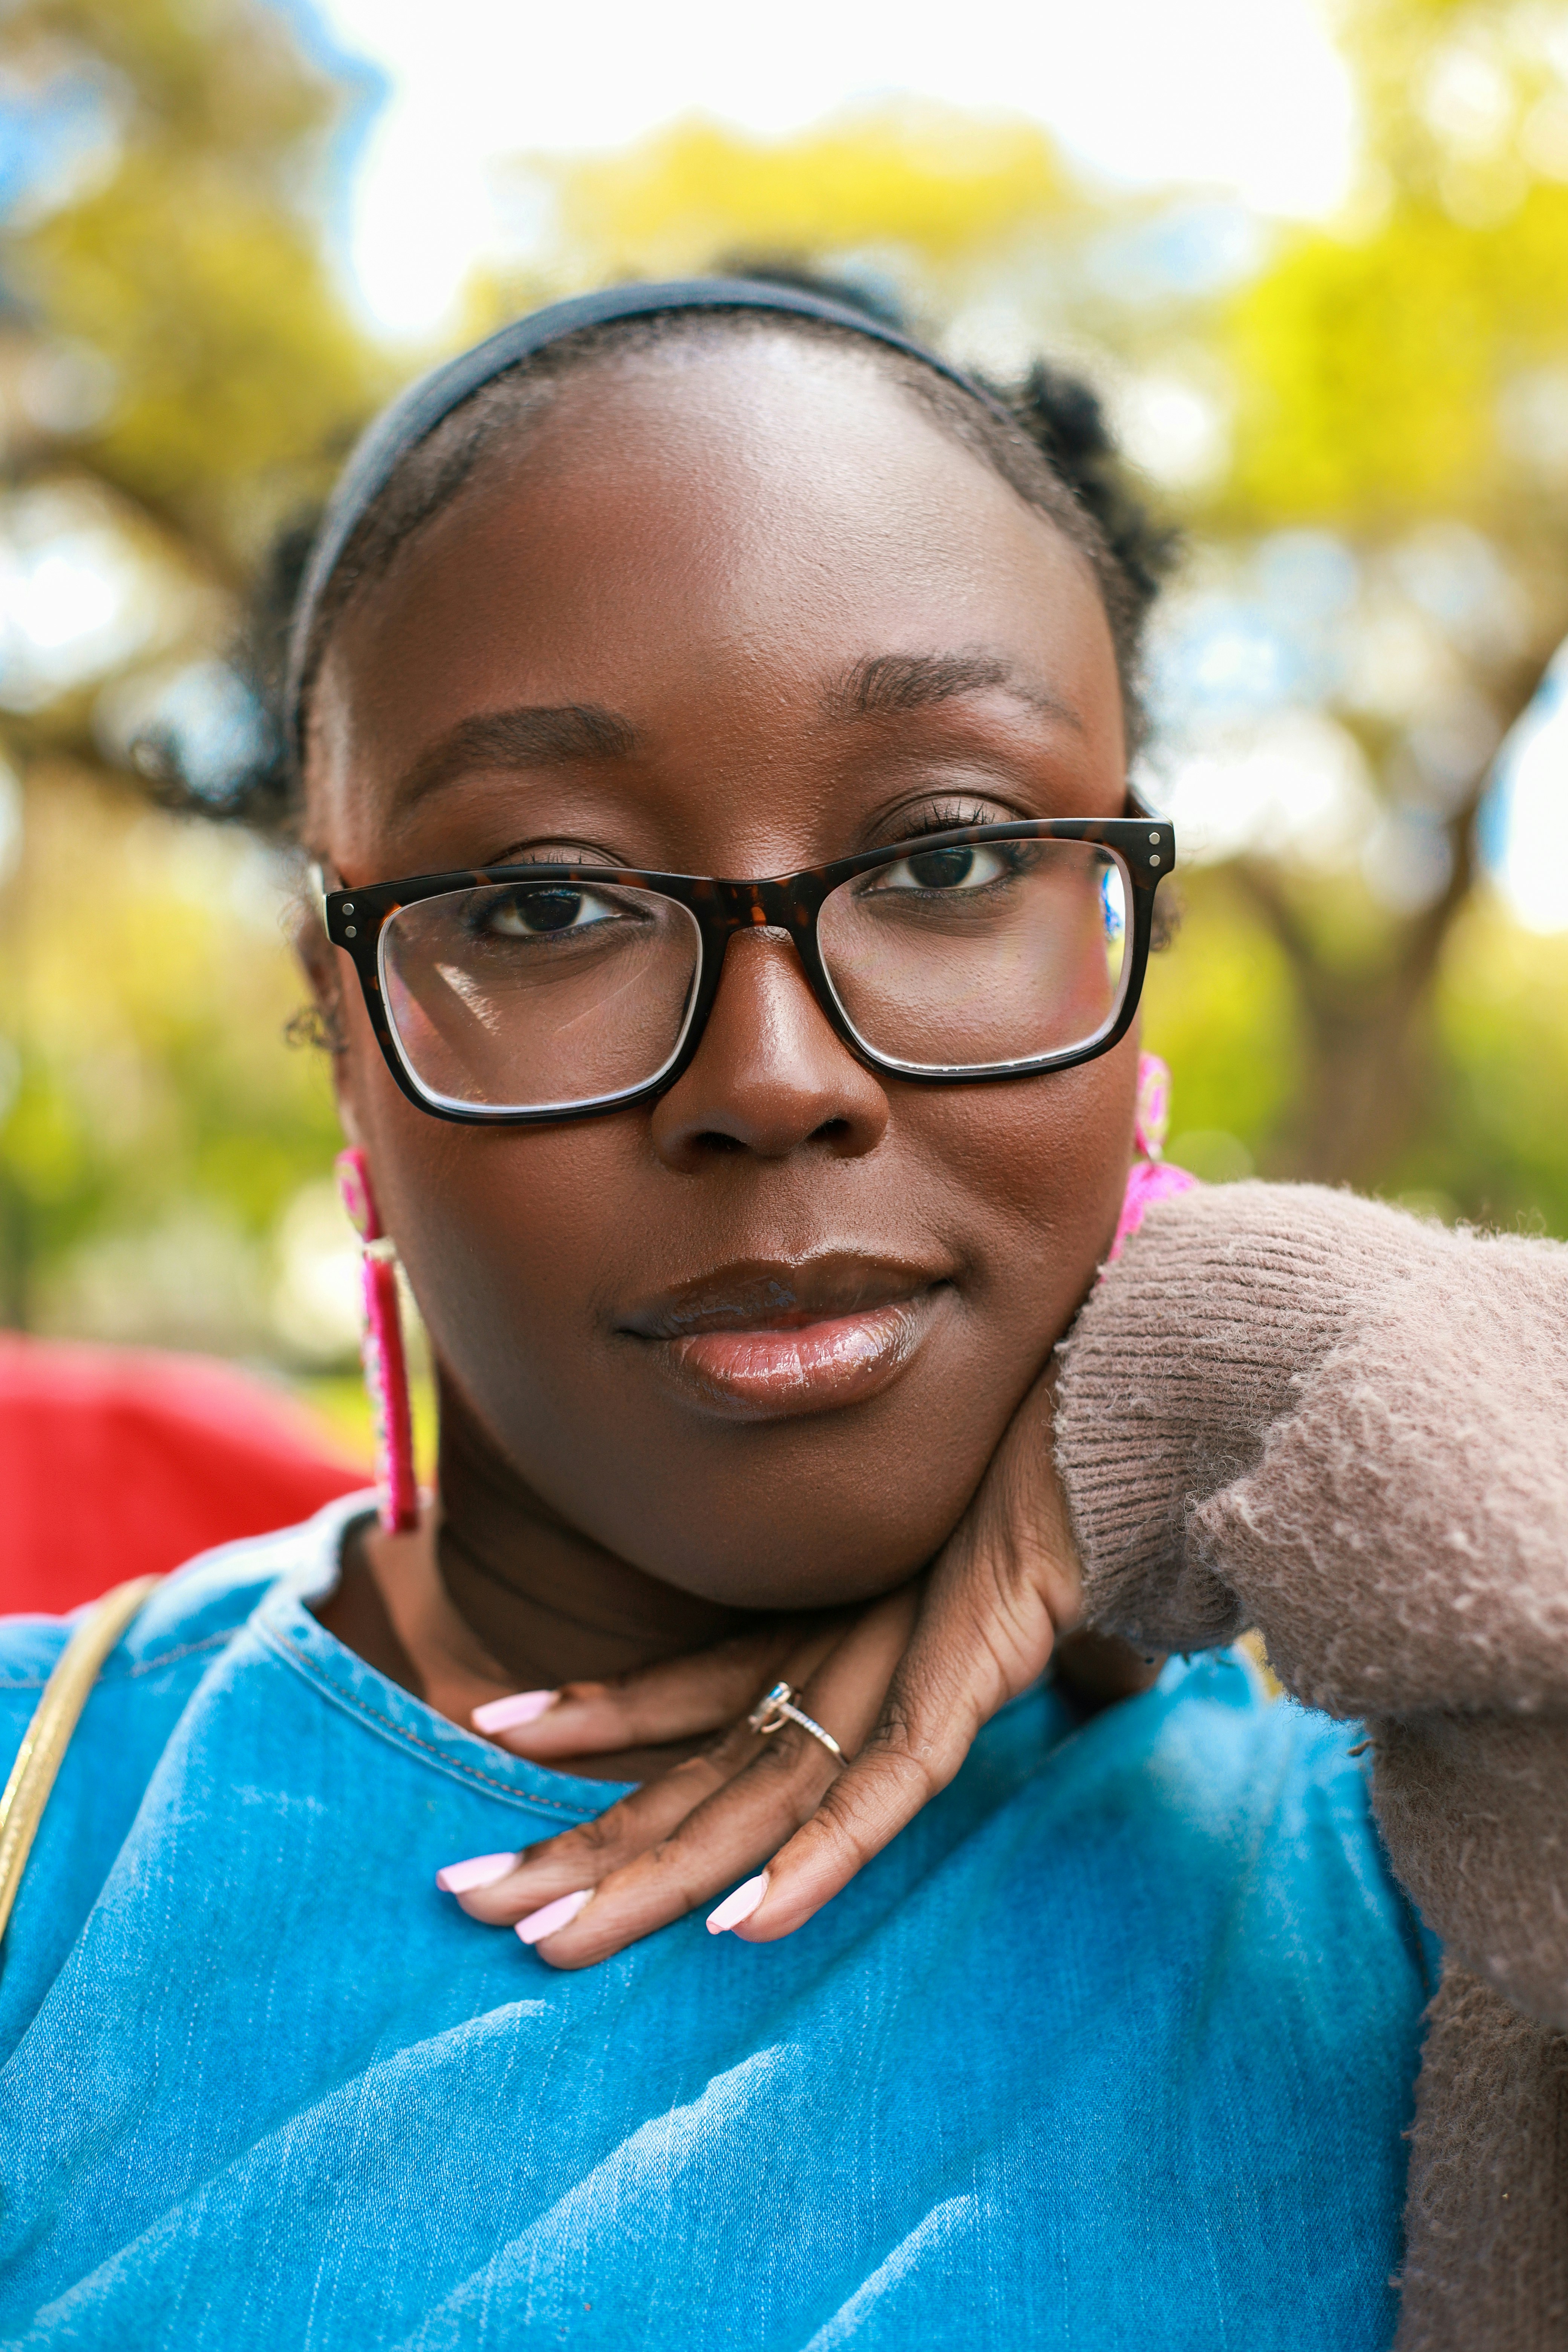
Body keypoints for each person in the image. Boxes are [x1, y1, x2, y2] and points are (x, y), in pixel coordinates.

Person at [0, 277, 1561, 2352]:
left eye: (953, 856)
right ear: (343, 1030)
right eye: (544, 902)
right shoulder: (50, 1818)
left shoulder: (1430, 1871)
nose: (770, 1077)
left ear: (1132, 954)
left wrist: (1329, 1357)